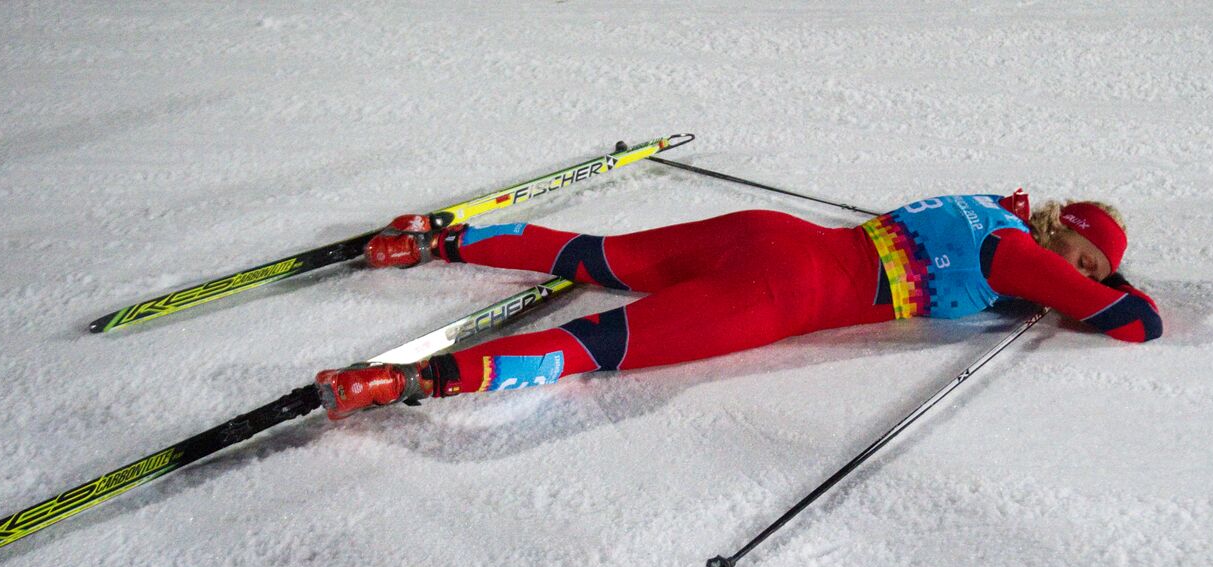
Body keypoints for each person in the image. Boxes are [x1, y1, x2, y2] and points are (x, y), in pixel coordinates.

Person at [314, 192, 1162, 419]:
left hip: (767, 235)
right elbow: (1133, 324)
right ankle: (406, 384)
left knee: (594, 257)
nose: (1085, 270)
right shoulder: (1022, 255)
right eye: (1087, 256)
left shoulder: (995, 207)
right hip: (779, 294)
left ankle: (436, 236)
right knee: (588, 348)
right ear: (1068, 239)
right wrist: (1113, 286)